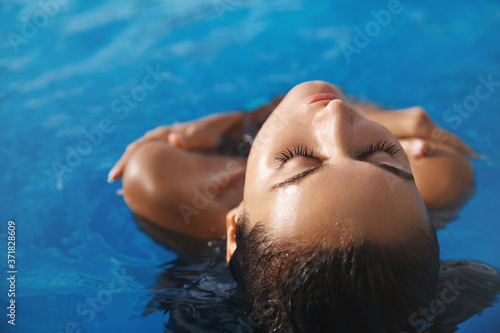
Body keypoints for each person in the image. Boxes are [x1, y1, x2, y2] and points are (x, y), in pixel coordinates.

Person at [109, 81, 488, 332]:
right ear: (425, 216)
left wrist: (241, 123)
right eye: (379, 156)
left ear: (235, 230)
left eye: (299, 159)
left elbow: (309, 99)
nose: (337, 114)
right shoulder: (442, 177)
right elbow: (321, 99)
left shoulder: (165, 190)